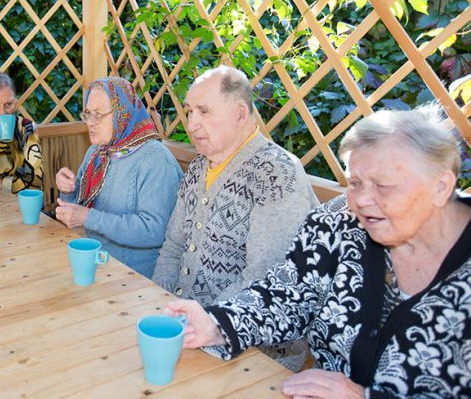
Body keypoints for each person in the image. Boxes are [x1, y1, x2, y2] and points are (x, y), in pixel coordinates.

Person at [165, 106, 471, 398]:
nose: (361, 200)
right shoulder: (337, 223)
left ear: (441, 186)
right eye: (355, 183)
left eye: (383, 185)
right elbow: (286, 296)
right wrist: (216, 324)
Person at [151, 66, 318, 370]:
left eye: (204, 112)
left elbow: (266, 277)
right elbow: (173, 247)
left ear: (241, 114)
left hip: (255, 356)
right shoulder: (200, 168)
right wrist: (160, 305)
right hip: (189, 333)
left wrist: (207, 324)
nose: (191, 124)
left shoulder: (276, 173)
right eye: (189, 112)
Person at [54, 77, 183, 278]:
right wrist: (68, 189)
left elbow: (155, 231)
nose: (90, 123)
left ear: (123, 114)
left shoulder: (156, 161)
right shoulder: (98, 152)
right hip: (98, 264)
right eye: (88, 114)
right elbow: (78, 206)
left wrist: (89, 218)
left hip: (136, 279)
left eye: (98, 115)